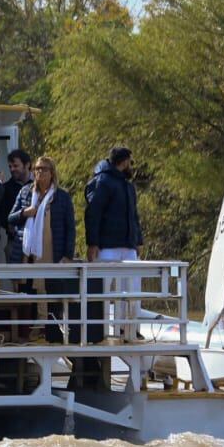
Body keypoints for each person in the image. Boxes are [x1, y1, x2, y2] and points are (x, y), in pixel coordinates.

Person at [9, 155, 78, 342]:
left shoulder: (61, 197)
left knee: (52, 295)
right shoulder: (25, 193)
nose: (40, 172)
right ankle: (30, 332)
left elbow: (70, 228)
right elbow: (10, 218)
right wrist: (25, 213)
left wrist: (67, 255)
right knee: (28, 296)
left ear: (52, 173)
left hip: (52, 254)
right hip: (28, 255)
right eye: (37, 169)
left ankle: (51, 333)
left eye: (44, 169)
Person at [85, 145, 144, 341]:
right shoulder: (103, 181)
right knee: (102, 290)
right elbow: (93, 212)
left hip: (128, 246)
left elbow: (134, 216)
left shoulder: (127, 186)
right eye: (130, 162)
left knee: (132, 290)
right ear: (124, 161)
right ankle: (98, 331)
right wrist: (92, 242)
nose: (131, 166)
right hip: (107, 246)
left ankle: (127, 328)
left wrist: (139, 240)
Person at [0, 149, 33, 264]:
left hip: (35, 242)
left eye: (15, 166)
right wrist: (8, 225)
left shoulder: (39, 186)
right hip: (14, 241)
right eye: (10, 166)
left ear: (27, 165)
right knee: (16, 279)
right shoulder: (6, 188)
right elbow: (0, 214)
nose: (12, 169)